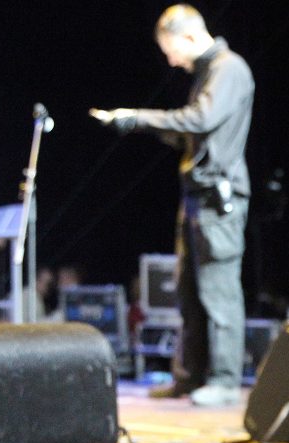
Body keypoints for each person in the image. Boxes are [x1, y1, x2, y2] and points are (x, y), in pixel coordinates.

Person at [93, 4, 254, 407]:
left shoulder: (229, 69)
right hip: (197, 199)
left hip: (219, 200)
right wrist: (135, 125)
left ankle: (223, 380)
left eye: (170, 50)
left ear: (188, 37)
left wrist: (138, 118)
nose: (170, 60)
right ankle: (190, 376)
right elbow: (193, 134)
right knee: (189, 292)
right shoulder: (206, 74)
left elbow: (199, 120)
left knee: (219, 292)